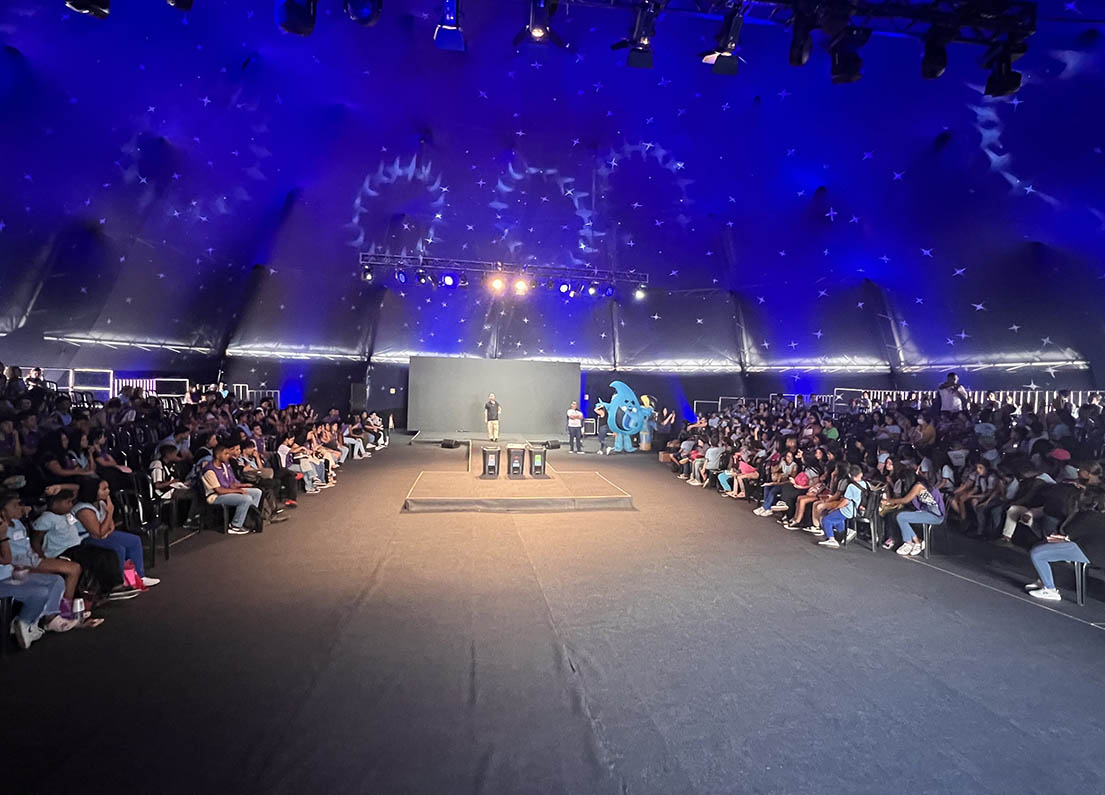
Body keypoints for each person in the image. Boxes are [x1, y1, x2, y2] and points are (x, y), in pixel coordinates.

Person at [74, 479, 159, 587]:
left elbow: (111, 526)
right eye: (104, 489)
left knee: (134, 540)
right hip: (86, 539)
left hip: (103, 534)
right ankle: (120, 582)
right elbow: (98, 533)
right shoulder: (84, 509)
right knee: (118, 548)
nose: (108, 491)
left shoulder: (101, 503)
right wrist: (110, 511)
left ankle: (139, 577)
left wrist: (107, 525)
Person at [1023, 490, 1105, 602]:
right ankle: (1043, 580)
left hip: (1088, 552)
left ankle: (1050, 589)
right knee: (1042, 545)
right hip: (1090, 551)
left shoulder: (1088, 515)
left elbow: (1067, 530)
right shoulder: (1096, 516)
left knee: (1037, 553)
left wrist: (1075, 512)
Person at [201, 444, 263, 534]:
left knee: (257, 492)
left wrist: (243, 485)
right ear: (218, 455)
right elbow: (219, 490)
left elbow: (230, 484)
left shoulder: (224, 466)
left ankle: (248, 519)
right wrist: (238, 491)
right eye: (226, 454)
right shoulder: (209, 470)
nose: (228, 456)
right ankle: (235, 526)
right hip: (215, 496)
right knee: (246, 498)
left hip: (227, 491)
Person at [882, 471, 945, 556]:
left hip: (934, 515)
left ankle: (910, 543)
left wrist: (889, 501)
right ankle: (916, 542)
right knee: (902, 517)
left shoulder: (918, 486)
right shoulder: (924, 483)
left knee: (901, 517)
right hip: (929, 512)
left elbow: (905, 500)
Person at [816, 465, 867, 549]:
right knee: (836, 518)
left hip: (848, 510)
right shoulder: (865, 484)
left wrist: (835, 508)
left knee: (826, 519)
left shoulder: (851, 486)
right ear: (861, 474)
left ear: (850, 475)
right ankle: (844, 532)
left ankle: (831, 539)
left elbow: (845, 502)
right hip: (858, 510)